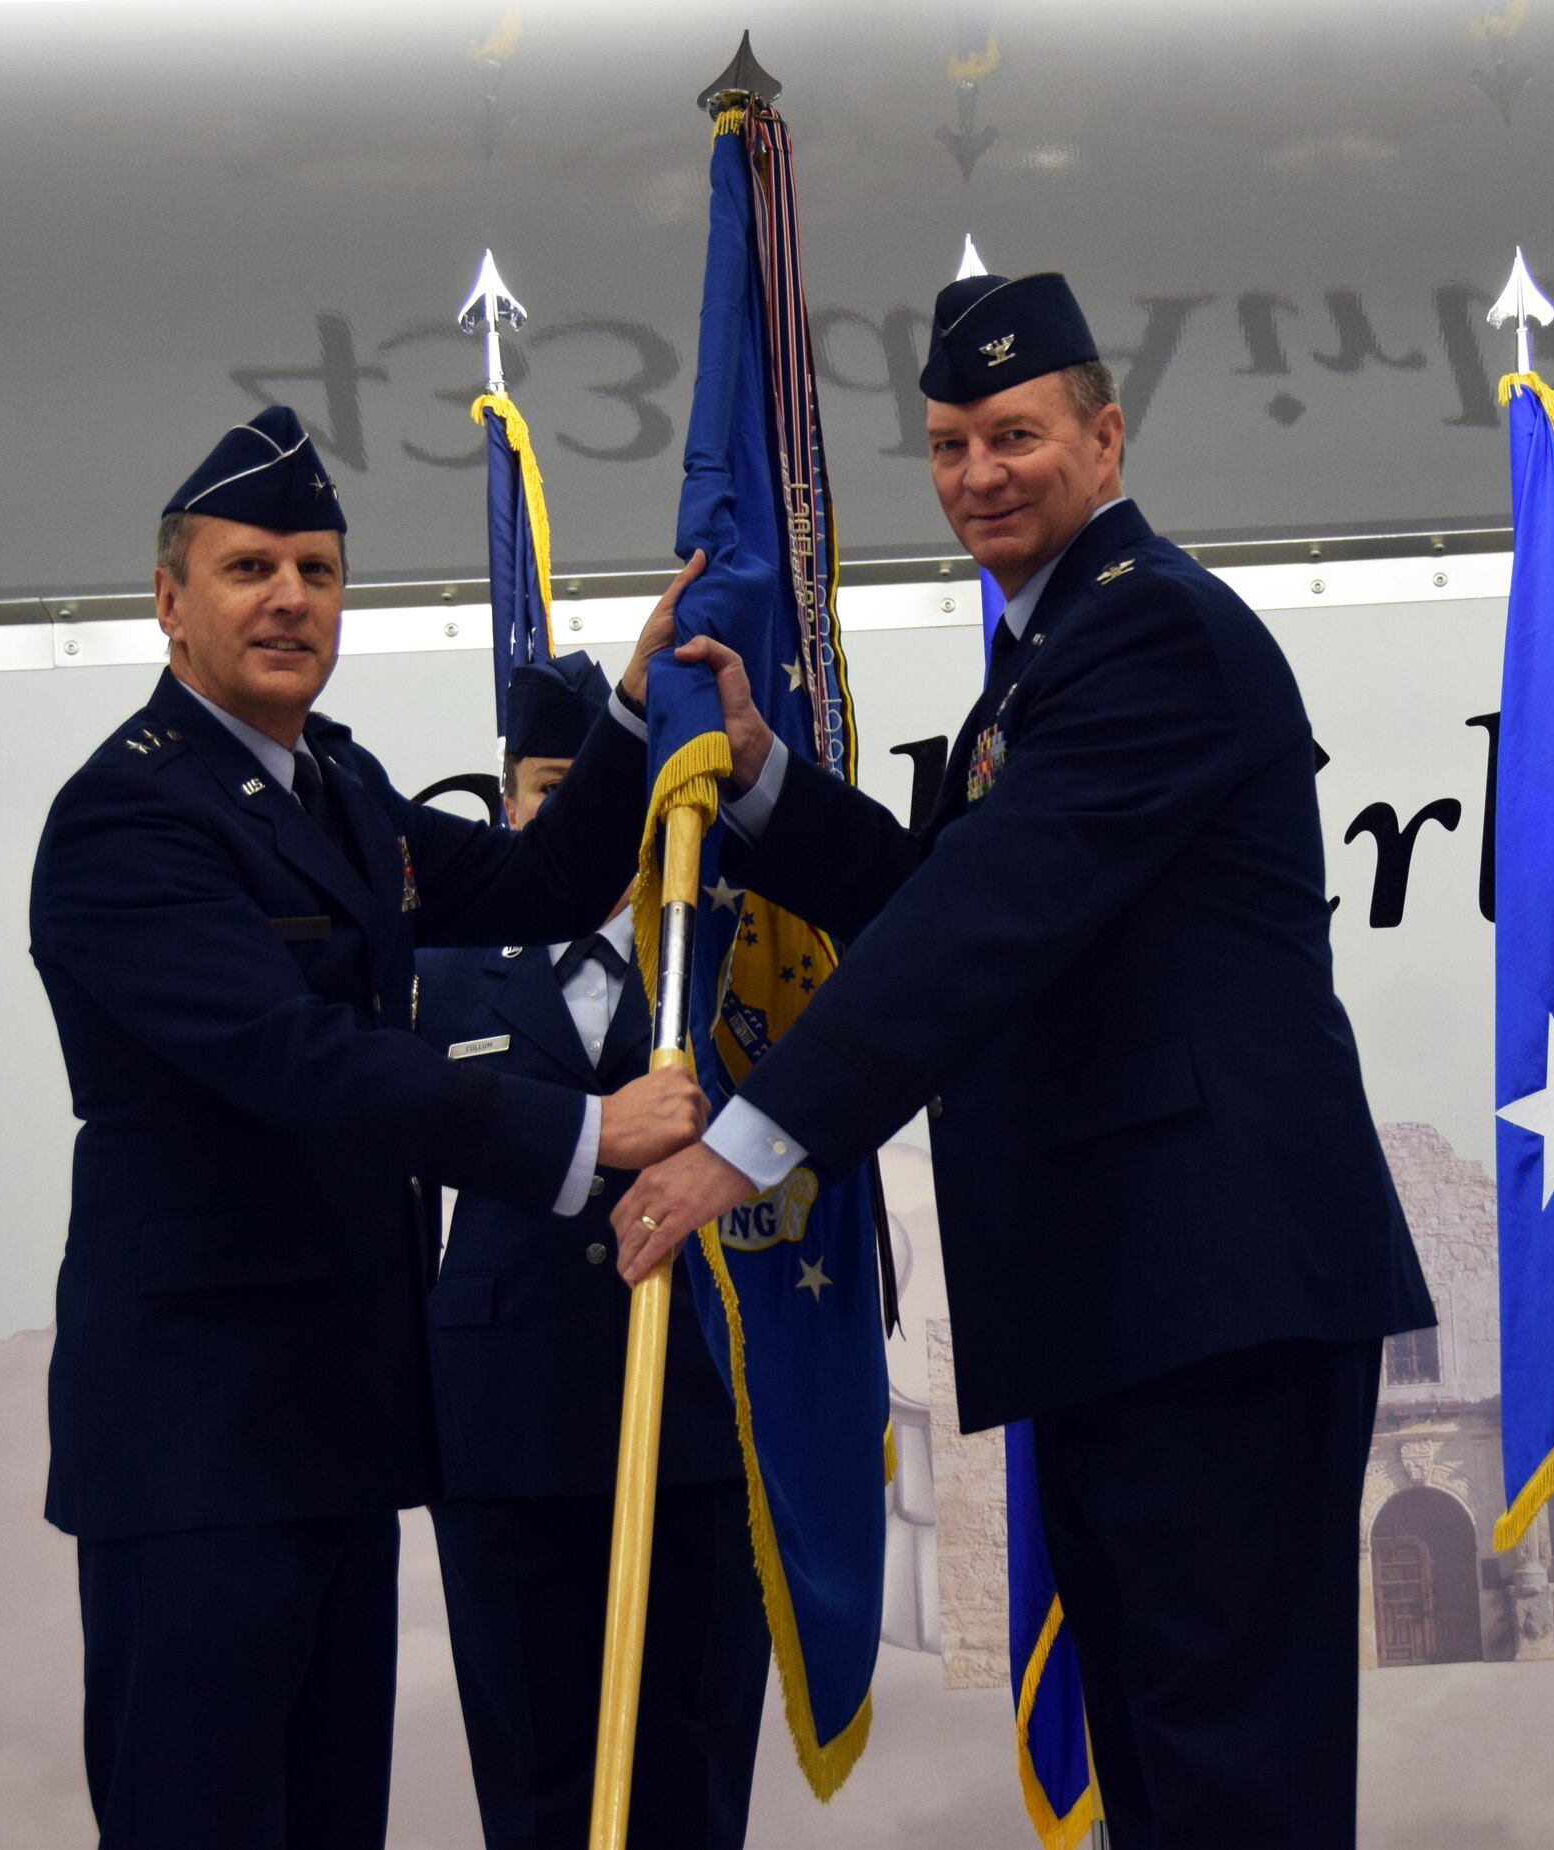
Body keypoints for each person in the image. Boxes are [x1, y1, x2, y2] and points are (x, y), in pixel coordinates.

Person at [613, 272, 1437, 1849]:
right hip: (1144, 1299)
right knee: (1168, 1765)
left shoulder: (1153, 634)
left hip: (1214, 1302)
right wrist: (770, 776)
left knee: (1223, 1772)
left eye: (1016, 433)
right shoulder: (1062, 645)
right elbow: (958, 892)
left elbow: (994, 912)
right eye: (947, 444)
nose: (980, 471)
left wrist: (753, 1137)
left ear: (1106, 435)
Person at [27, 404, 708, 1850]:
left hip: (335, 1427)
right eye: (250, 566)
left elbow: (540, 885)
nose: (290, 598)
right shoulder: (126, 821)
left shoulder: (335, 786)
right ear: (169, 599)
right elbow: (301, 1063)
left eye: (319, 570)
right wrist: (586, 1139)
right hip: (197, 1445)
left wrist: (638, 711)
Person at [412, 650, 767, 1850]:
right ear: (506, 799)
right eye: (546, 788)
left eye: (604, 788)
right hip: (504, 1424)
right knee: (533, 1782)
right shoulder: (430, 973)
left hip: (704, 1419)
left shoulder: (736, 962)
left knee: (693, 1777)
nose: (572, 819)